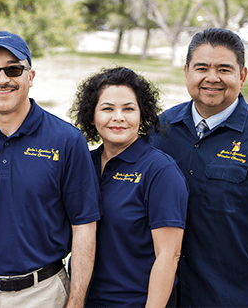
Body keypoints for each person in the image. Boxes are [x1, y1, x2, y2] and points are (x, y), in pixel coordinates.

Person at [0, 31, 101, 308]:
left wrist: (76, 302)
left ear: (30, 76)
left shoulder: (66, 140)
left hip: (44, 293)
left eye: (13, 69)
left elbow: (84, 227)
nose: (2, 79)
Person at [149, 28, 248, 307]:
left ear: (242, 76)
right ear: (187, 72)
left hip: (239, 299)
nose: (212, 77)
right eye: (202, 68)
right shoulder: (159, 130)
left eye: (224, 69)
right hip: (164, 298)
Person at [70, 67, 188, 307]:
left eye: (128, 109)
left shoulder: (159, 171)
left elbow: (168, 256)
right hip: (84, 299)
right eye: (107, 109)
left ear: (142, 116)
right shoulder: (84, 164)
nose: (118, 117)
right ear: (92, 116)